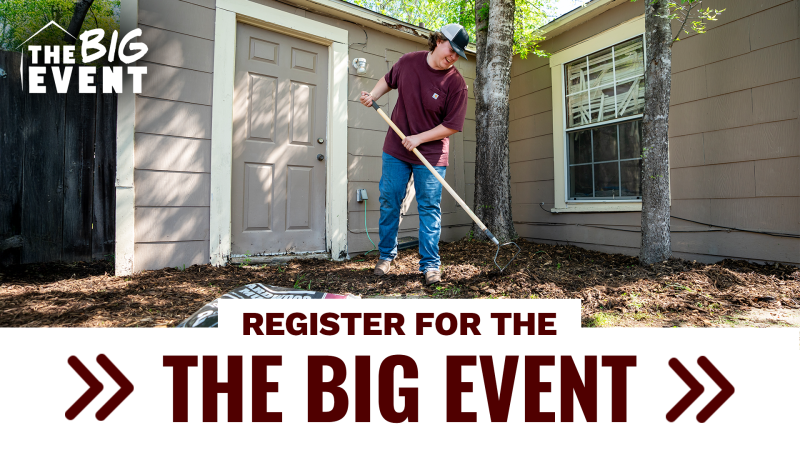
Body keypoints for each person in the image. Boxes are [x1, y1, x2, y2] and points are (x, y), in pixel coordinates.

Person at [359, 24, 470, 285]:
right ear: (439, 40)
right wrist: (372, 96)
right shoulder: (409, 62)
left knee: (429, 207)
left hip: (430, 153)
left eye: (458, 54)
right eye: (452, 49)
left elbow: (452, 124)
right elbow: (389, 80)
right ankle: (386, 256)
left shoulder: (456, 84)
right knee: (390, 199)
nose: (453, 56)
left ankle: (430, 265)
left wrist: (419, 138)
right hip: (397, 148)